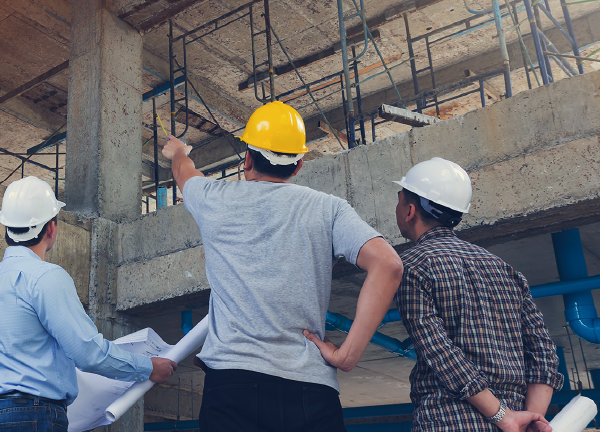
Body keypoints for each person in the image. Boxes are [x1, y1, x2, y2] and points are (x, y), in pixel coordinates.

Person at [162, 101, 404, 432]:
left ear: (247, 158)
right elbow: (388, 265)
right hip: (311, 391)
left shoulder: (213, 198)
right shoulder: (328, 209)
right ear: (298, 164)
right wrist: (348, 355)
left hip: (234, 388)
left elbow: (184, 172)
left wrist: (178, 151)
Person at [0, 176, 177, 431]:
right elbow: (87, 353)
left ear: (7, 228)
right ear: (51, 229)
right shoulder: (47, 277)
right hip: (35, 415)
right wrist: (147, 368)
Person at [393, 158, 563, 432]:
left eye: (399, 201)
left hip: (448, 420)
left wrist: (504, 417)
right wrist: (529, 419)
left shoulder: (411, 266)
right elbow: (543, 352)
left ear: (409, 210)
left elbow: (440, 352)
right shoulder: (505, 270)